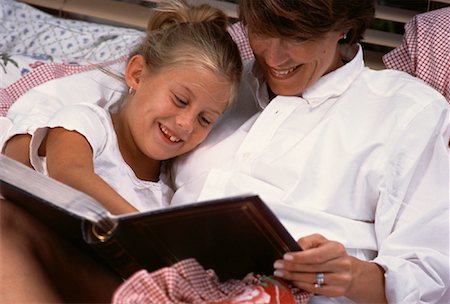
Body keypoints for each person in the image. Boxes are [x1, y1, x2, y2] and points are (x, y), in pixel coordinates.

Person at [1, 0, 449, 303]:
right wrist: (24, 140)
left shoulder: (406, 112)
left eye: (296, 37)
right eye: (262, 31)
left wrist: (353, 274)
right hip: (151, 280)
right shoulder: (223, 84)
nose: (274, 56)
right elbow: (112, 88)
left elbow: (434, 273)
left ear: (345, 27)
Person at [3, 0, 242, 216]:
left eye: (205, 119)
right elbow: (68, 172)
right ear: (137, 74)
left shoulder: (167, 193)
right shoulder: (88, 122)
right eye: (180, 100)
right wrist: (142, 230)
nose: (186, 123)